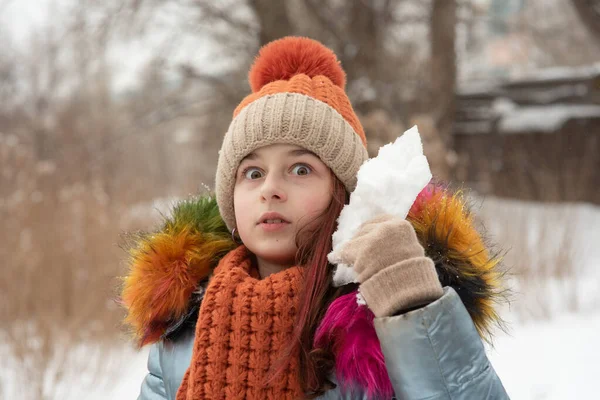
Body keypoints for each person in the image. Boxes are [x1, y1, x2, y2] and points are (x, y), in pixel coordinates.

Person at [121, 36, 510, 400]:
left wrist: (414, 306)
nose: (270, 189)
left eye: (301, 169)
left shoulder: (373, 328)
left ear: (342, 195)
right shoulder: (183, 327)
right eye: (252, 173)